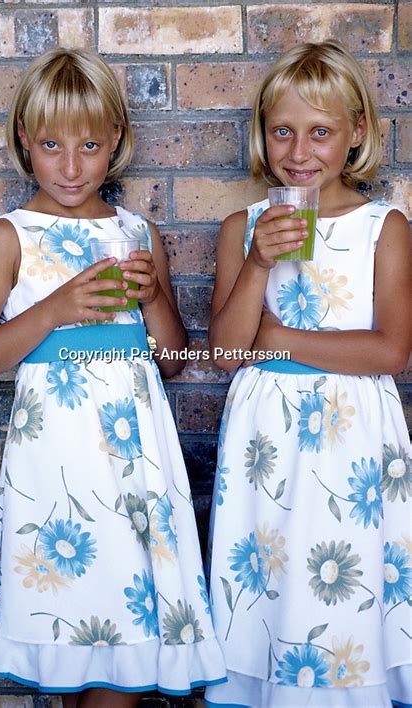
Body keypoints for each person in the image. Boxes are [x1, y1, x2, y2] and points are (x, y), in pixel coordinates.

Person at [0, 48, 226, 707]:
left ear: (117, 142)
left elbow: (174, 361)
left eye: (91, 146)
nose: (71, 168)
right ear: (24, 139)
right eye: (51, 145)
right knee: (77, 662)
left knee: (123, 663)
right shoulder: (8, 237)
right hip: (58, 483)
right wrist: (55, 309)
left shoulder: (137, 233)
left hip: (136, 479)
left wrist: (155, 296)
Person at [205, 40, 411, 708]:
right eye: (283, 131)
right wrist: (259, 262)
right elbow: (227, 354)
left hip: (354, 445)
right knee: (272, 585)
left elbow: (389, 352)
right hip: (266, 446)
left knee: (342, 587)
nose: (299, 151)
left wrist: (281, 337)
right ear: (263, 135)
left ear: (356, 134)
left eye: (321, 132)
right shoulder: (244, 225)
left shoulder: (386, 227)